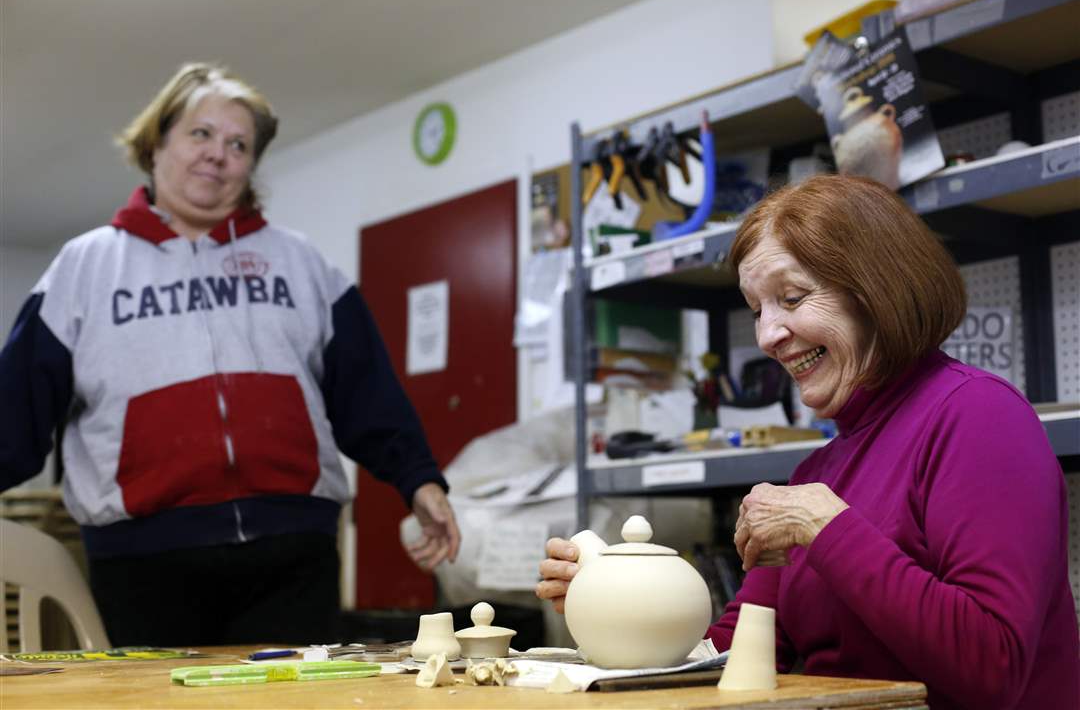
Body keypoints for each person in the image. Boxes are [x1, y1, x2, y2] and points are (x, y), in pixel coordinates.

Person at [536, 174, 1078, 708]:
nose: (767, 336)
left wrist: (826, 526)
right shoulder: (817, 473)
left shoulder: (978, 417)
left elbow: (994, 668)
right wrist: (618, 603)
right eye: (757, 309)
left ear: (876, 290)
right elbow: (736, 656)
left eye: (791, 298)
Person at [0, 62, 460, 647]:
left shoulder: (300, 263)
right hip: (144, 564)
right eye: (201, 134)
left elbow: (367, 393)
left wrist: (420, 483)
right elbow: (16, 411)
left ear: (250, 165)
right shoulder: (85, 268)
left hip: (293, 557)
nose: (218, 154)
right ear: (157, 141)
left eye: (238, 144)